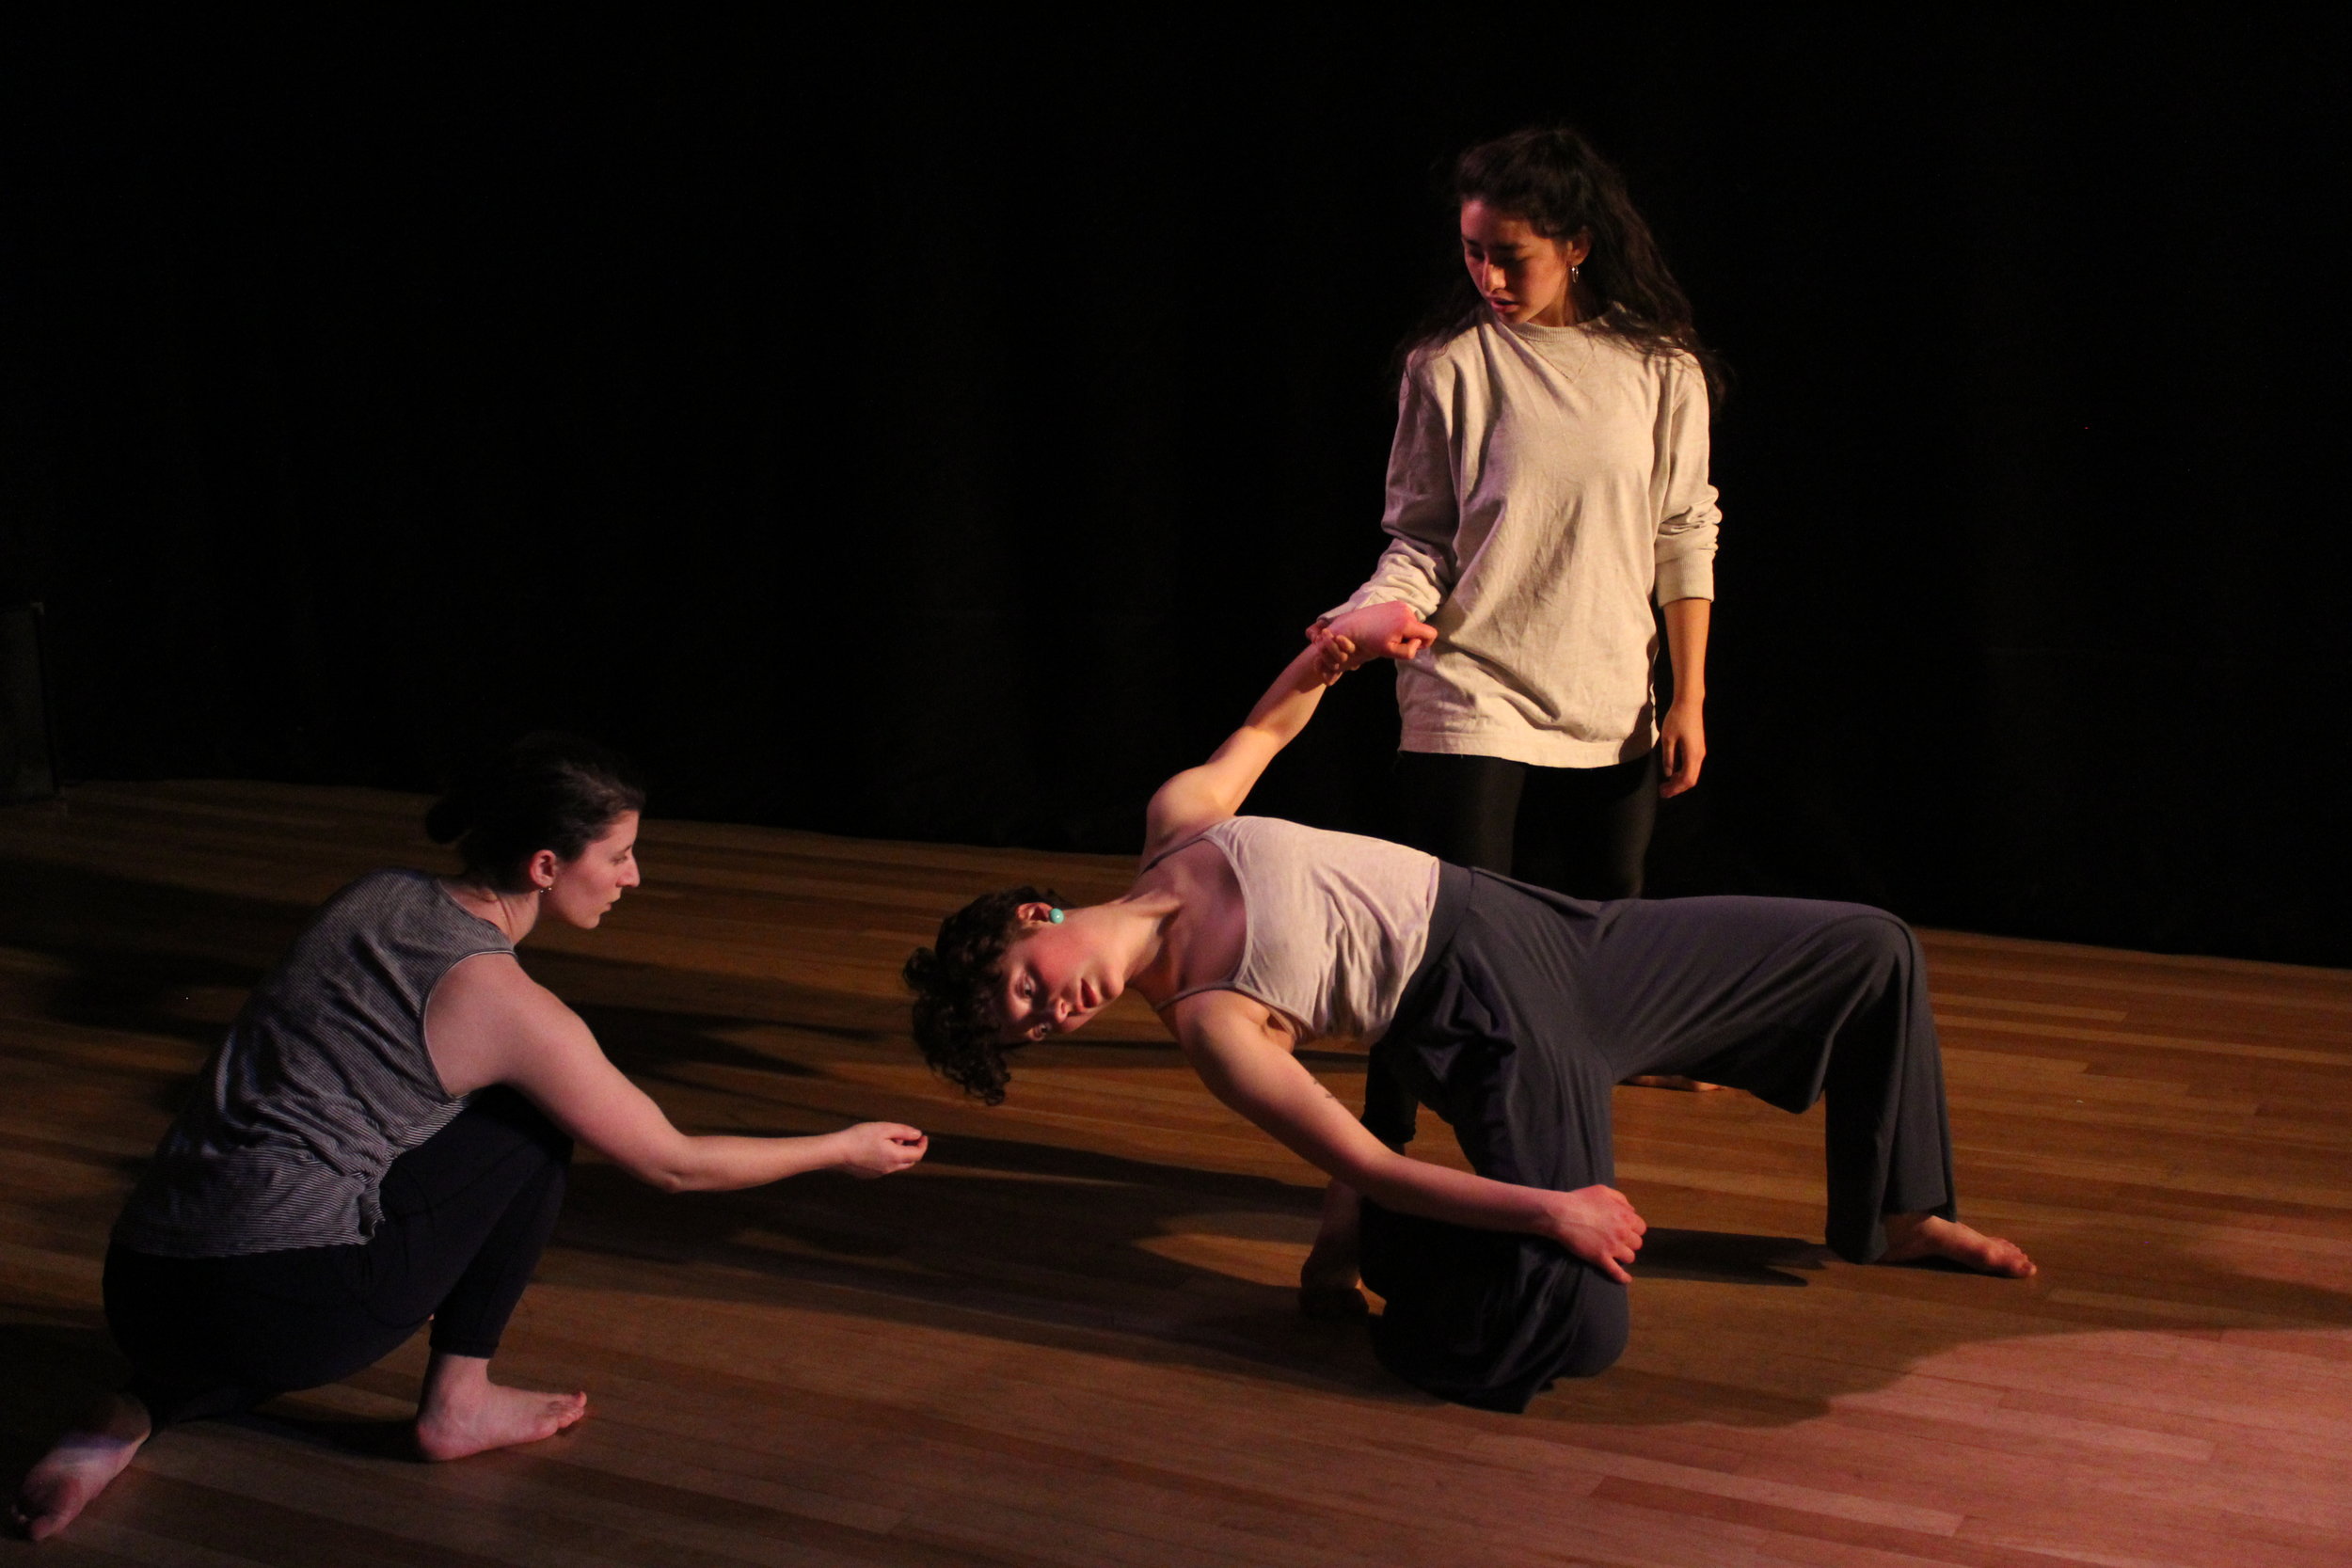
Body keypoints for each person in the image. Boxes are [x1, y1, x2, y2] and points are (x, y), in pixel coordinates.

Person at [904, 641, 2032, 1412]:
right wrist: (1555, 1206)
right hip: (1494, 1030)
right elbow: (1359, 1156)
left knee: (1871, 949)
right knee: (1578, 1332)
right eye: (1032, 1033)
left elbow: (1269, 721)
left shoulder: (1176, 823)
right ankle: (1410, 1275)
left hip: (1554, 932)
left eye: (1022, 991)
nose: (1052, 1012)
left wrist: (1348, 645)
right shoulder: (1211, 1023)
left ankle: (1897, 1213)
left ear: (1028, 916)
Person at [11, 735, 929, 1542]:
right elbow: (672, 1163)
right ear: (542, 863)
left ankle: (127, 1411)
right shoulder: (511, 1007)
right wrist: (839, 1146)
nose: (634, 876)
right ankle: (456, 1403)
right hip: (280, 1304)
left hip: (142, 1279)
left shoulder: (372, 896)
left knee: (296, 1229)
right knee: (530, 1124)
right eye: (618, 854)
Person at [1312, 124, 1722, 905]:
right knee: (1470, 924)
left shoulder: (1661, 368)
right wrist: (1375, 611)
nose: (1489, 275)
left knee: (1604, 923)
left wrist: (1688, 699)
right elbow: (1421, 538)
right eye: (1473, 251)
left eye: (1511, 255)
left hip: (1606, 696)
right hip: (1472, 687)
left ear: (1577, 247)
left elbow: (1684, 532)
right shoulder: (1447, 366)